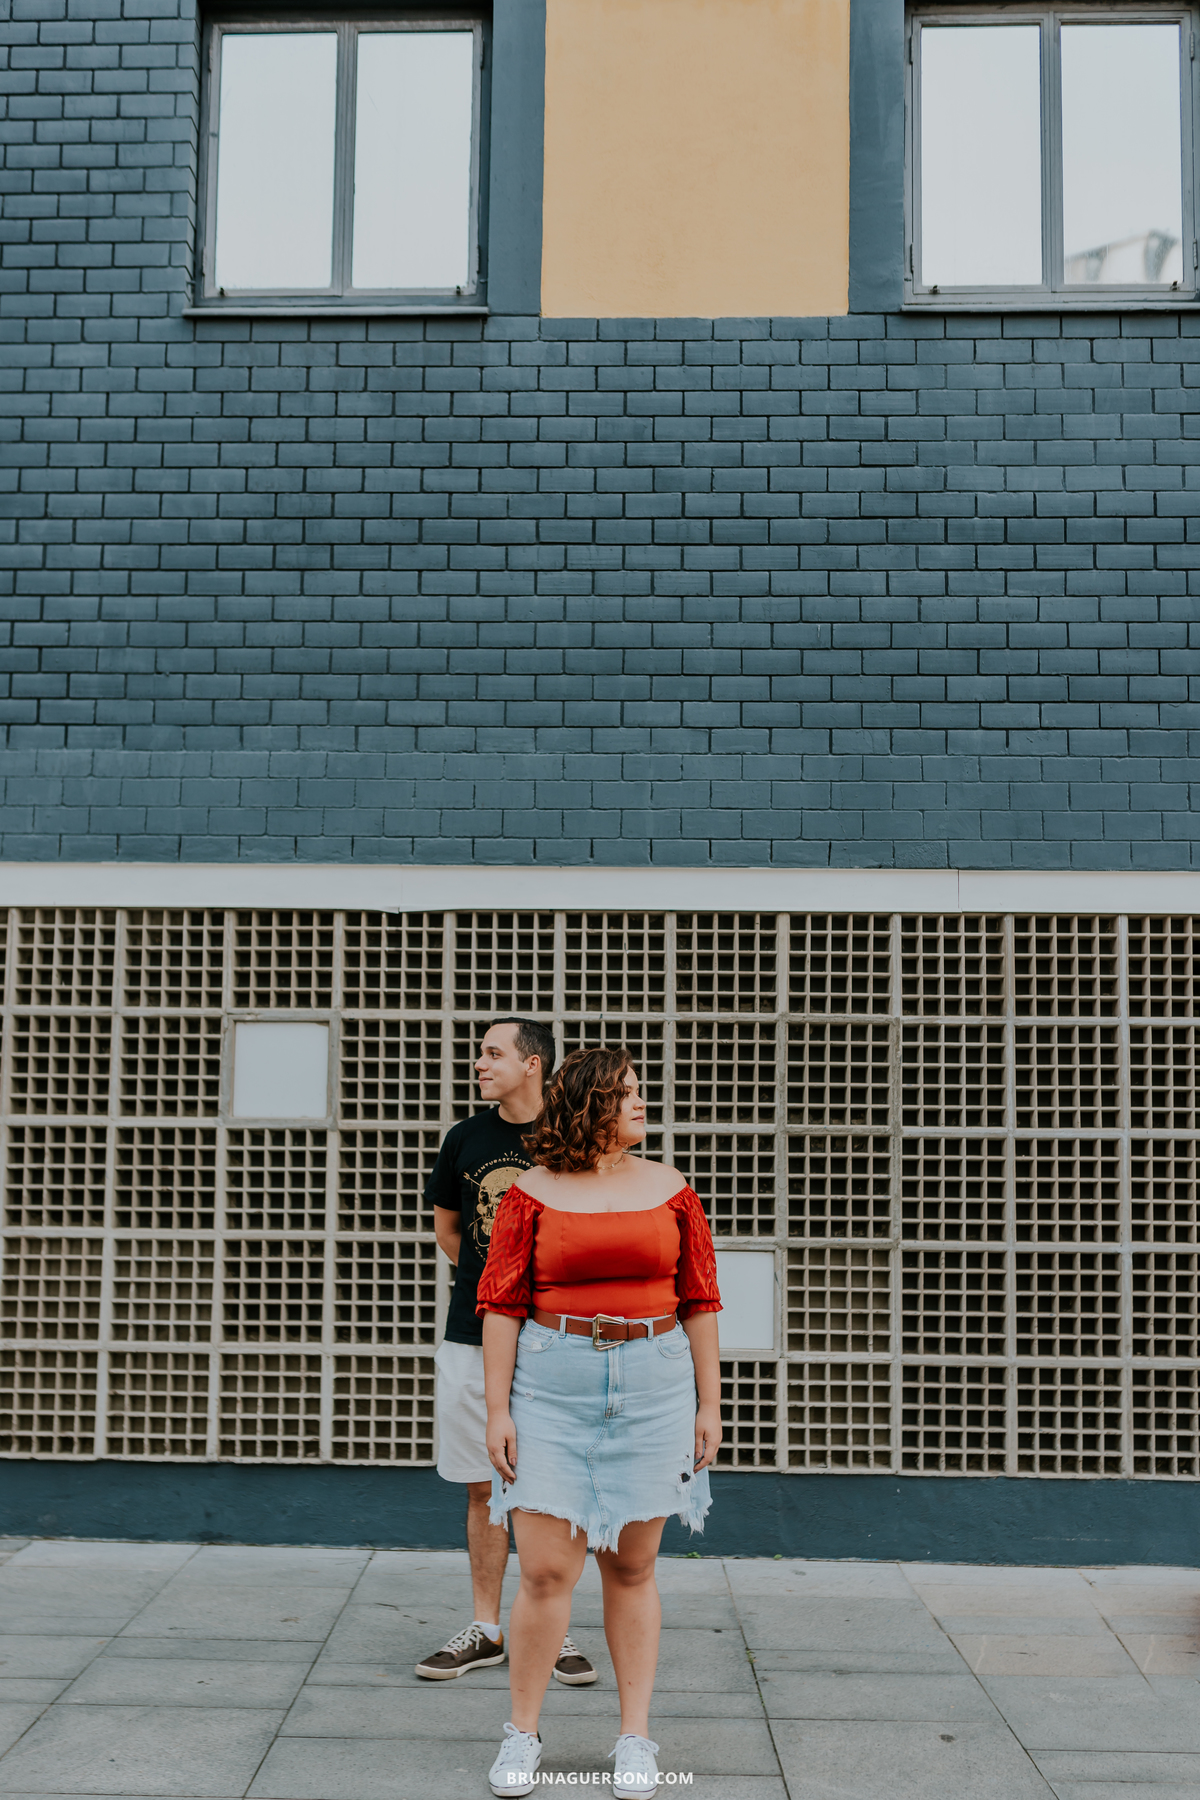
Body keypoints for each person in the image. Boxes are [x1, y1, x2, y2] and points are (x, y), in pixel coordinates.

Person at [477, 1046, 723, 1797]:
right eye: (630, 1095)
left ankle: (636, 1738)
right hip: (553, 1385)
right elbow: (501, 1303)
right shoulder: (532, 1194)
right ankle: (522, 1733)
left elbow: (701, 1299)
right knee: (548, 1570)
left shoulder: (674, 1189)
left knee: (633, 1565)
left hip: (654, 1383)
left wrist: (711, 1403)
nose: (645, 1105)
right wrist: (497, 1410)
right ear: (591, 1107)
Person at [416, 1018, 596, 1688]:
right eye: (480, 1054)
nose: (479, 1063)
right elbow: (448, 1226)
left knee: (555, 1484)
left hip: (558, 1335)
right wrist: (496, 1286)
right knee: (482, 1484)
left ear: (533, 1063)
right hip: (472, 1332)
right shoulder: (465, 1139)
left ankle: (552, 1628)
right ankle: (488, 1630)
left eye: (493, 1054)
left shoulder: (574, 1134)